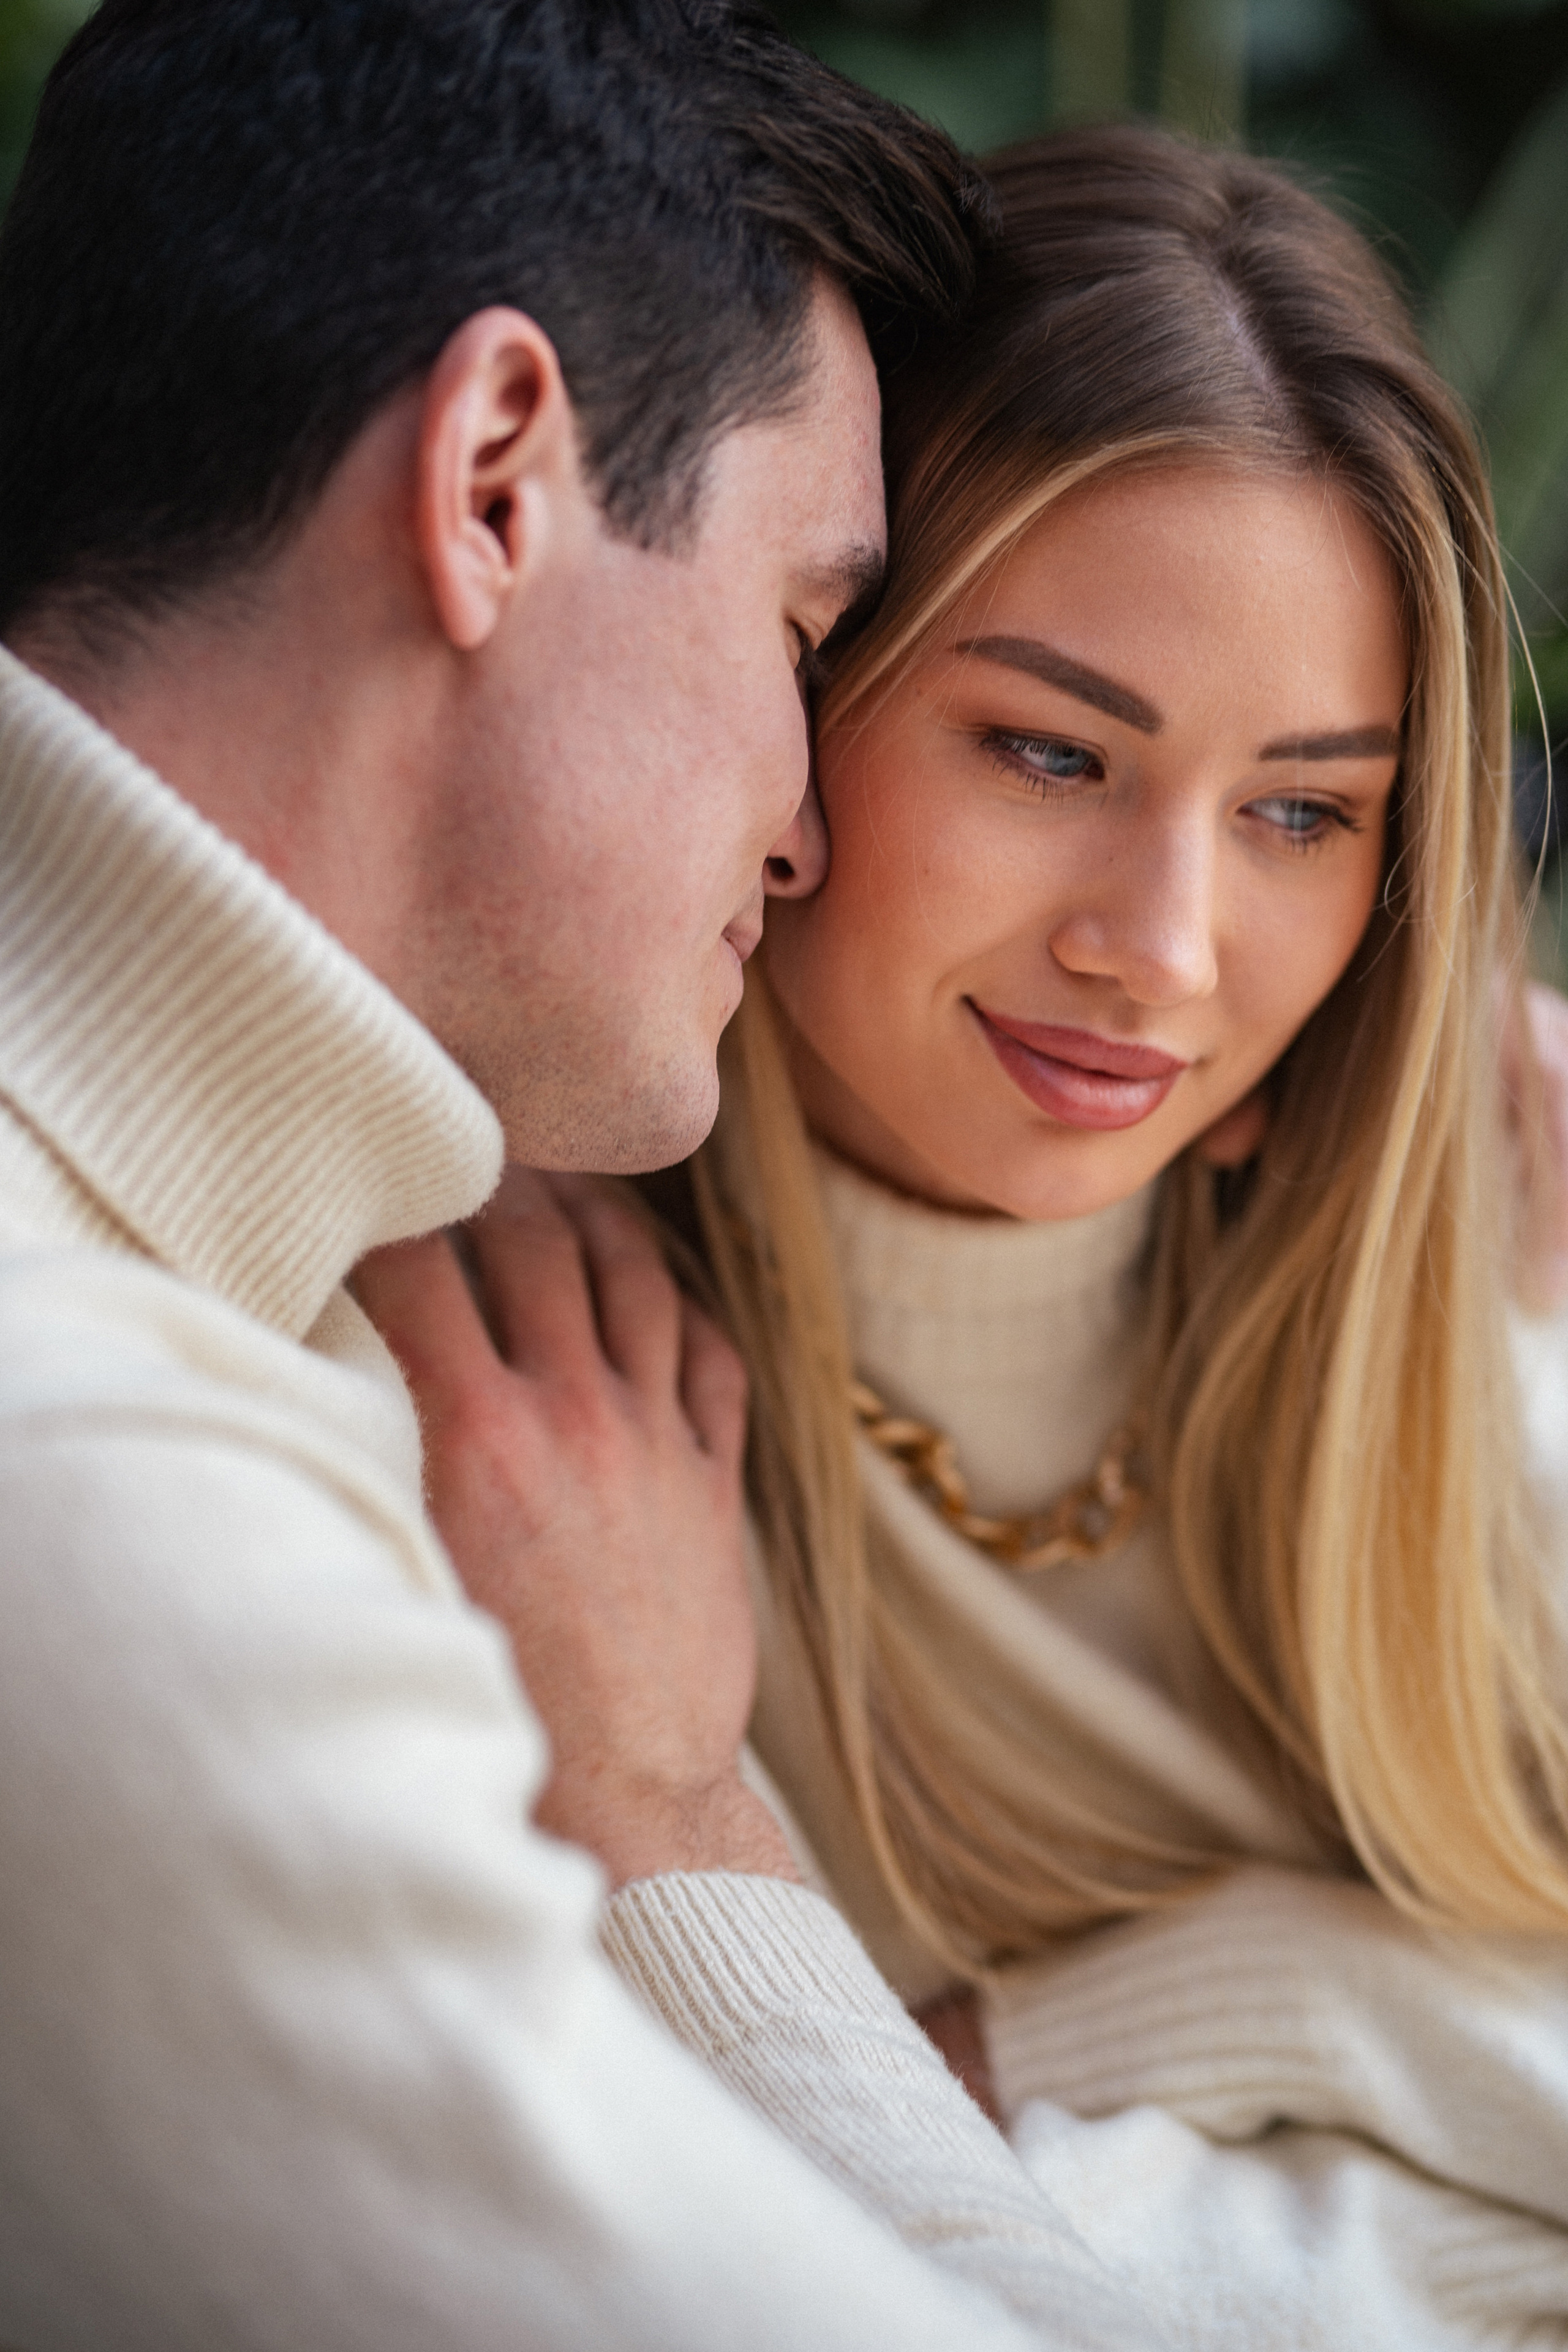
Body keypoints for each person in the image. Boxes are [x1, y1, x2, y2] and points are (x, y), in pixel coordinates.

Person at [0, 7, 1161, 2346]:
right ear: (498, 478)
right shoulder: (95, 1494)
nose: (814, 822)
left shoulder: (239, 1312)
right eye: (803, 624)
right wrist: (669, 1821)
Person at [675, 124, 1568, 2348]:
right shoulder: (558, 1413)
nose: (1166, 953)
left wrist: (1063, 2048)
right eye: (1051, 753)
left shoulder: (1503, 1293)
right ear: (802, 689)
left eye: (1300, 811)